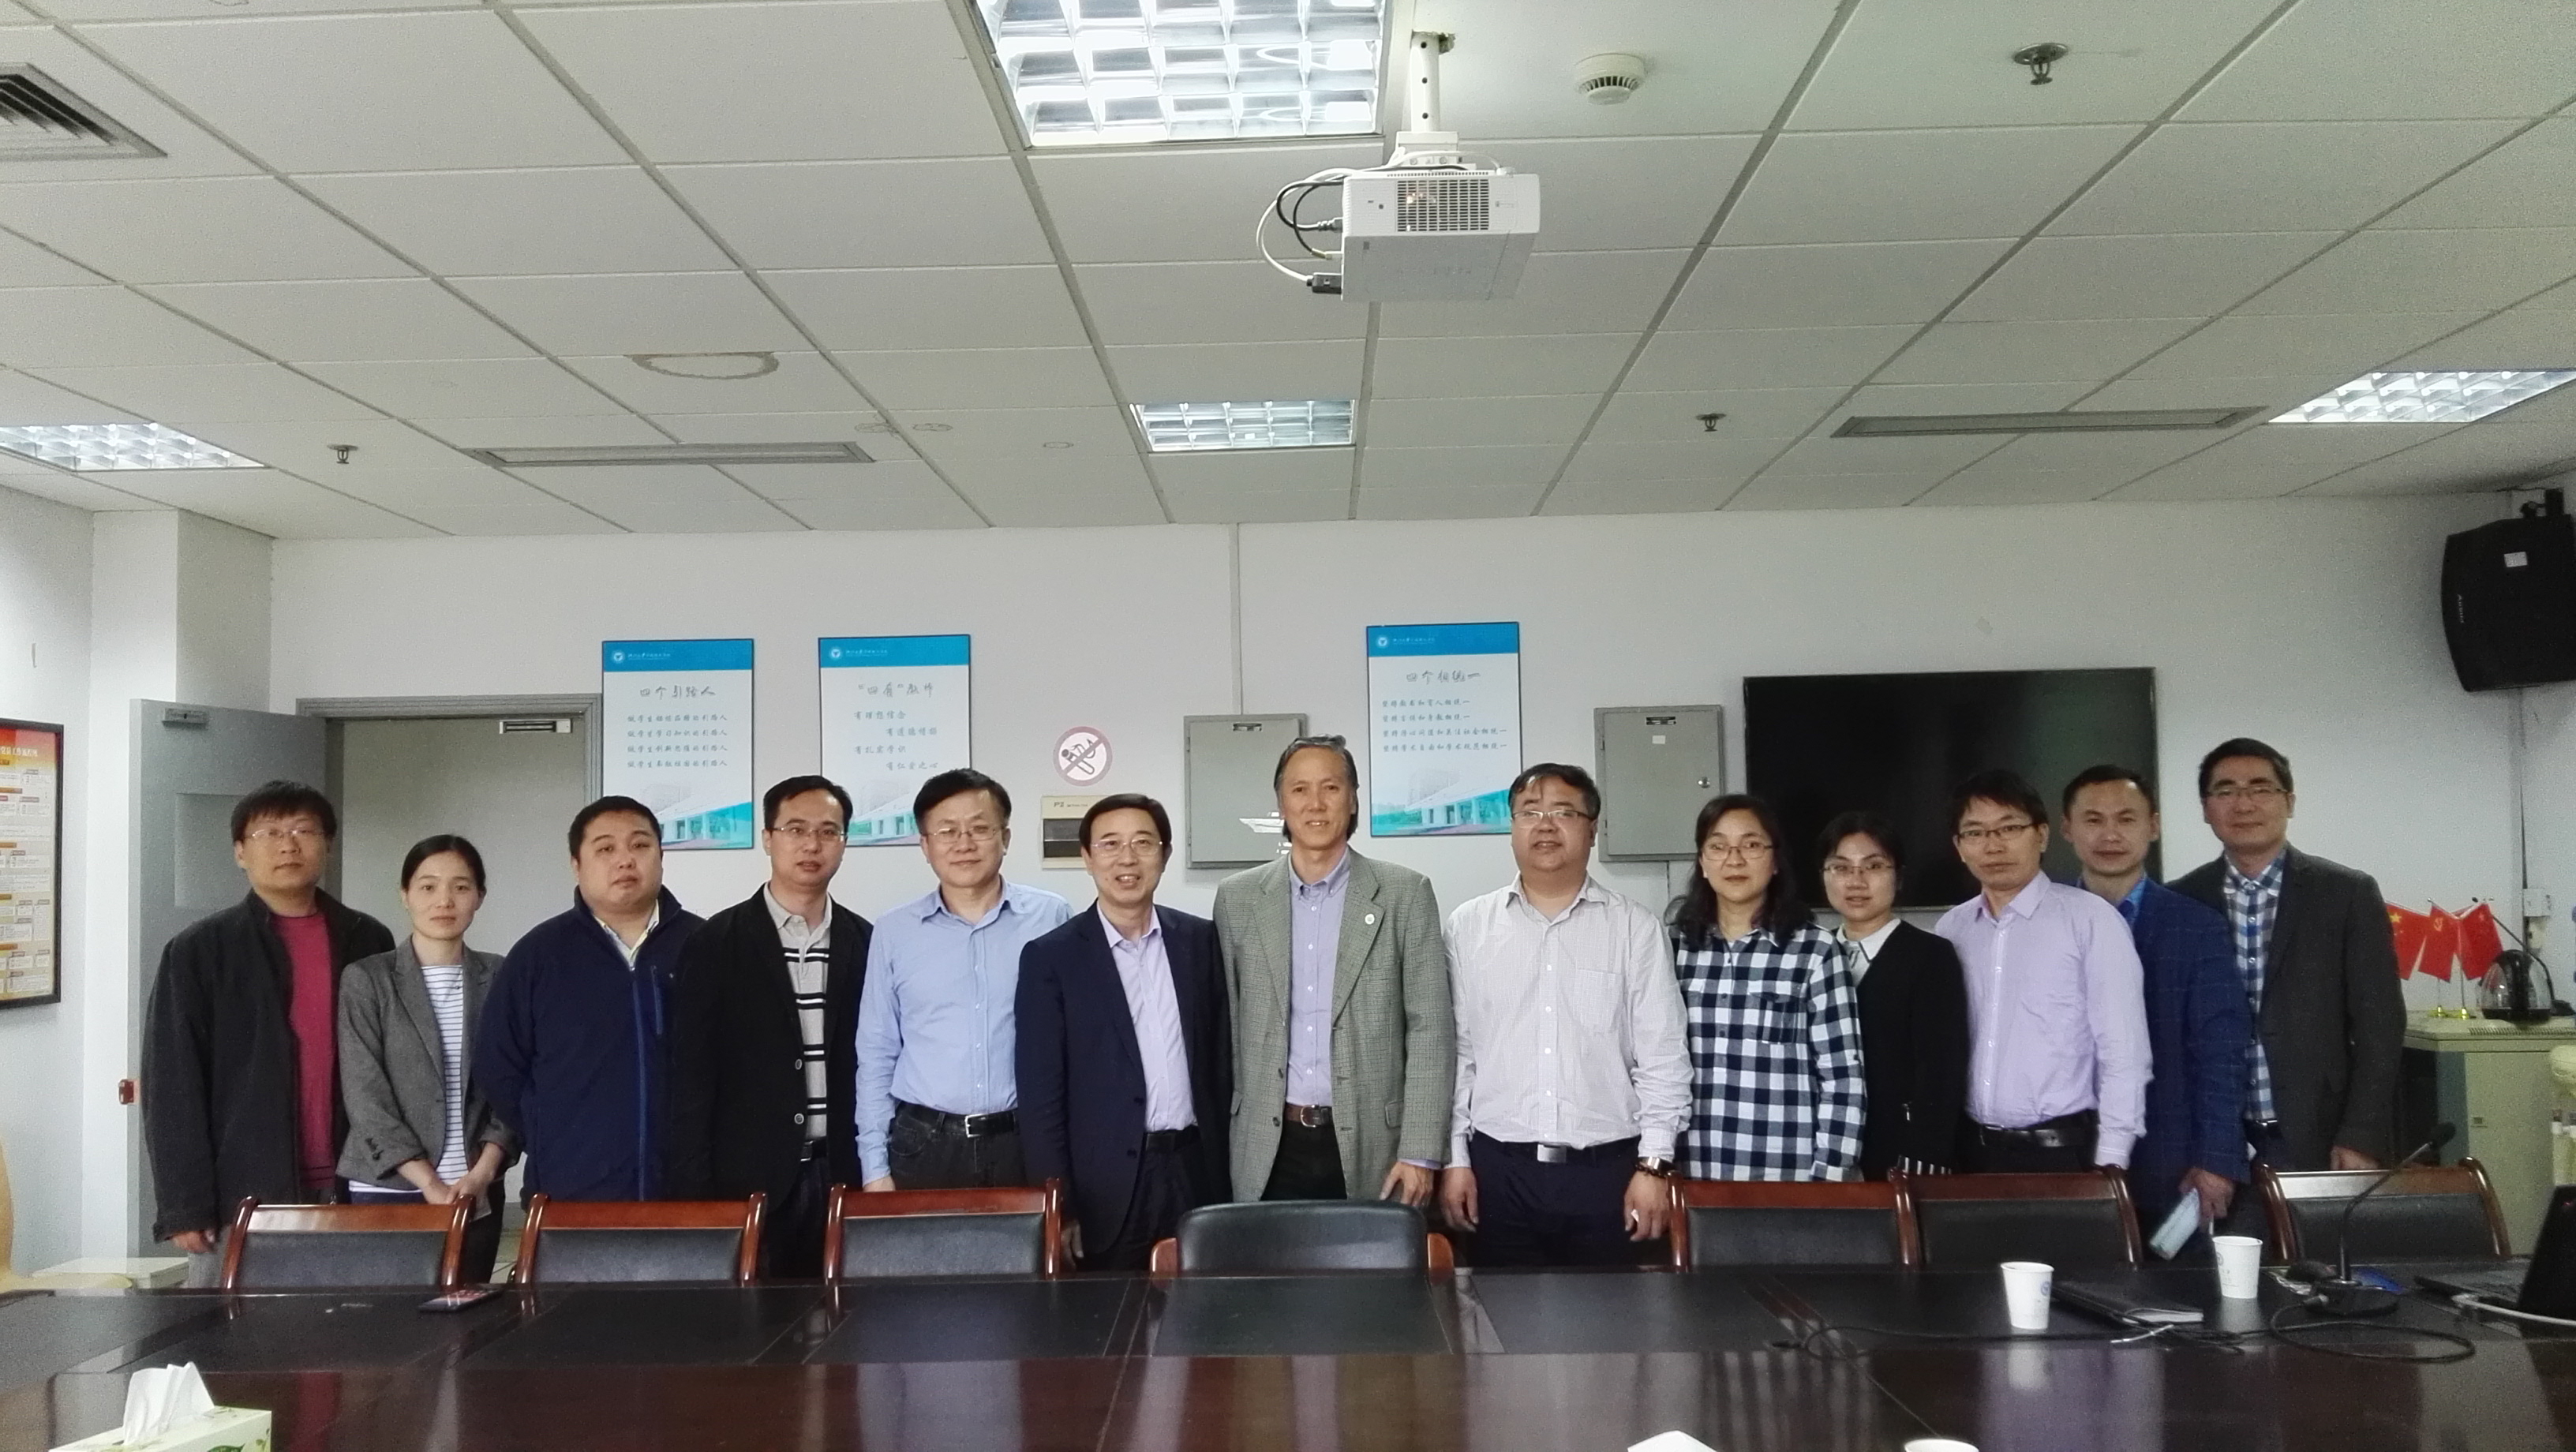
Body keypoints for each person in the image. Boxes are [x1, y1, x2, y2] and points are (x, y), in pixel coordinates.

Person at [142, 780, 395, 1284]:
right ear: (240, 851)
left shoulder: (367, 938)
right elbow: (171, 1082)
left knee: (354, 1323)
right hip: (243, 1188)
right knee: (234, 1327)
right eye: (270, 833)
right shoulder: (200, 950)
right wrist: (184, 1203)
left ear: (327, 844)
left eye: (304, 830)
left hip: (357, 1179)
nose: (288, 845)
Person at [1439, 765, 1689, 1264]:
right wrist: (1455, 1160)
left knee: (1609, 1313)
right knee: (1497, 1311)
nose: (1546, 825)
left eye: (1564, 813)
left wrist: (1654, 1166)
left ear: (1592, 829)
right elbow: (1457, 1056)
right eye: (1530, 813)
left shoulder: (1635, 928)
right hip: (1497, 1173)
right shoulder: (1468, 927)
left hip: (1608, 1174)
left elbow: (1662, 1057)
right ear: (1512, 828)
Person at [1214, 735, 1454, 1206]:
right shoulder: (1238, 899)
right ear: (1282, 804)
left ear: (1353, 799)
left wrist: (1421, 1151)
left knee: (1374, 1257)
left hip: (1376, 1146)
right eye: (1299, 790)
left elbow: (1431, 1029)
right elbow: (1228, 1028)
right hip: (1268, 1144)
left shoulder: (1405, 894)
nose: (1316, 803)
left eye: (1331, 787)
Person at [668, 776, 872, 1277]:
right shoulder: (716, 942)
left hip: (844, 1174)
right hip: (750, 1180)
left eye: (828, 831)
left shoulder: (867, 941)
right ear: (767, 838)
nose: (812, 845)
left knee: (848, 1313)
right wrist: (695, 1191)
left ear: (844, 842)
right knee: (754, 1317)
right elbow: (690, 1076)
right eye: (796, 829)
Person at [1017, 794, 1230, 1270]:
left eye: (1143, 843)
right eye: (1110, 844)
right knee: (1113, 1312)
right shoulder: (1052, 958)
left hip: (1196, 1172)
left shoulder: (1200, 942)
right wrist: (1060, 1204)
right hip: (1106, 1188)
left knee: (1204, 1306)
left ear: (1165, 854)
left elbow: (1220, 1065)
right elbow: (1041, 1097)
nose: (1127, 858)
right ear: (1088, 858)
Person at [2174, 739, 2405, 1179]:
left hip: (2322, 1137)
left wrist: (2361, 1135)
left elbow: (2381, 1026)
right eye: (2225, 791)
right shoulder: (2182, 900)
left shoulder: (2346, 894)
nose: (2244, 804)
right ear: (2205, 808)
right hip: (2214, 1143)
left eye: (2260, 789)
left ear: (2289, 802)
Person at [855, 769, 1070, 1192]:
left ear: (1005, 838)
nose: (964, 843)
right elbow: (877, 1053)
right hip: (924, 1145)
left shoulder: (1052, 917)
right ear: (925, 845)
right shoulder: (894, 931)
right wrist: (874, 1168)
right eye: (947, 831)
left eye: (979, 829)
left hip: (1025, 1140)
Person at [477, 796, 699, 1202]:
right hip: (569, 1193)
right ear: (576, 865)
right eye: (606, 849)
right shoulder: (538, 955)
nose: (625, 860)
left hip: (691, 1195)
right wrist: (547, 1129)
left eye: (640, 845)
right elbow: (499, 1065)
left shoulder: (707, 946)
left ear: (661, 856)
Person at [2061, 765, 2248, 1234]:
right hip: (2066, 1154)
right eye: (2093, 820)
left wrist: (2217, 1158)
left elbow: (2221, 1052)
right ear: (2066, 829)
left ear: (2154, 826)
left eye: (2126, 819)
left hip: (2171, 1159)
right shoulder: (2046, 924)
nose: (2110, 835)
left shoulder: (2197, 926)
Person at [1934, 770, 2151, 1174]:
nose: (1994, 845)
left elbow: (2124, 1051)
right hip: (1969, 1151)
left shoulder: (2090, 920)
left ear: (2043, 835)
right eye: (1976, 833)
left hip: (2060, 1152)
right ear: (1959, 847)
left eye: (2009, 828)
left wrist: (2112, 1158)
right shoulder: (1952, 929)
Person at [336, 835, 514, 1282]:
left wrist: (483, 1172)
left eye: (461, 887)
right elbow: (365, 1095)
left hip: (477, 1188)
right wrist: (428, 1183)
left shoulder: (501, 975)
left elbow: (515, 1083)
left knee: (471, 1311)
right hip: (389, 1187)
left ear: (480, 897)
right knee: (392, 1319)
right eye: (428, 886)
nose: (444, 901)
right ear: (405, 894)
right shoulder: (367, 979)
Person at [1668, 793, 1864, 1181]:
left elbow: (1843, 1076)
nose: (1734, 859)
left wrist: (1830, 1180)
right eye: (1718, 846)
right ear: (1702, 862)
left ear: (1775, 862)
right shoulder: (1672, 948)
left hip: (1785, 1179)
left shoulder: (1815, 951)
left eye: (1752, 845)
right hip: (1688, 1175)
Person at [1817, 812, 1968, 1179]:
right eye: (1841, 868)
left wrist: (1922, 1157)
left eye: (1873, 866)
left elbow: (1941, 1070)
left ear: (1898, 877)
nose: (1856, 881)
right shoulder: (1813, 955)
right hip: (1824, 1148)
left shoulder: (1930, 956)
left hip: (1899, 1155)